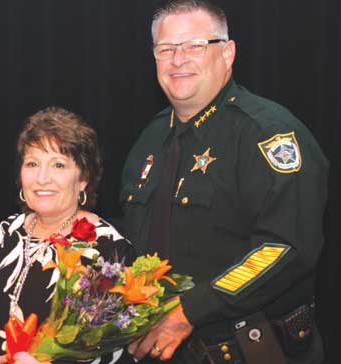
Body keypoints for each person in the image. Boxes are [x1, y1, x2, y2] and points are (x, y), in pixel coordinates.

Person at [120, 1, 329, 363]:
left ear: (228, 53)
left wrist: (190, 311)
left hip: (253, 351)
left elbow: (286, 247)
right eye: (166, 49)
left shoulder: (267, 133)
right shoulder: (150, 140)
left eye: (195, 46)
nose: (178, 59)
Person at [0, 107, 137, 364]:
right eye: (32, 163)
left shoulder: (108, 250)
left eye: (59, 165)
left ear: (84, 178)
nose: (42, 178)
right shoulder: (7, 232)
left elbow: (113, 353)